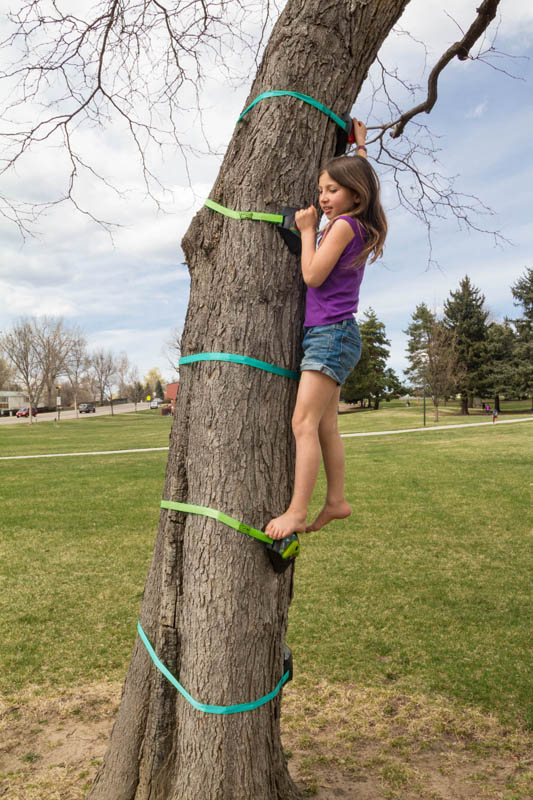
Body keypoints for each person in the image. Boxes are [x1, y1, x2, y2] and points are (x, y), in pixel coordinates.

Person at [266, 120, 387, 540]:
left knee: (303, 423)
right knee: (325, 427)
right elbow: (362, 176)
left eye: (331, 191)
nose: (322, 198)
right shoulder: (360, 225)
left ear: (355, 194)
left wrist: (305, 232)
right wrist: (361, 147)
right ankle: (336, 500)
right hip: (338, 334)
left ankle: (297, 513)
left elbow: (314, 276)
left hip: (330, 335)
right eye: (321, 191)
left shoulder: (342, 226)